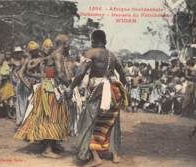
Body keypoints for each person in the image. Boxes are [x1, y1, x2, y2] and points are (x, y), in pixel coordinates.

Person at [67, 30, 128, 166]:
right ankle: (115, 154)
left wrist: (71, 87)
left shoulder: (91, 52)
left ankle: (91, 156)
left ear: (93, 41)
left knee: (88, 122)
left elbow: (81, 72)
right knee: (112, 122)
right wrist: (121, 88)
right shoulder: (113, 55)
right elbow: (122, 74)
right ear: (105, 41)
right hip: (114, 91)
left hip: (98, 91)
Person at [15, 35, 70, 158]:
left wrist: (50, 81)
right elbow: (60, 74)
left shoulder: (52, 55)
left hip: (47, 85)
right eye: (68, 44)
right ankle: (48, 149)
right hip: (49, 87)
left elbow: (49, 72)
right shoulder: (57, 55)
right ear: (65, 44)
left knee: (49, 115)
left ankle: (52, 144)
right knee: (51, 116)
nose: (69, 46)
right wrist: (71, 86)